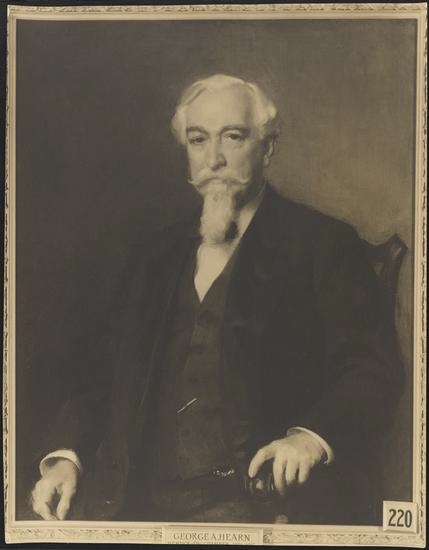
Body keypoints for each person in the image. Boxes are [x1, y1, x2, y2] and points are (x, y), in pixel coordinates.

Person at [30, 74, 403, 525]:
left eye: (233, 137)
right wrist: (66, 458)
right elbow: (104, 375)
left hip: (264, 506)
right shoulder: (154, 257)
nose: (214, 159)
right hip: (141, 501)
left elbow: (371, 369)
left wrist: (308, 438)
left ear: (267, 148)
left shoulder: (322, 244)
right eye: (198, 140)